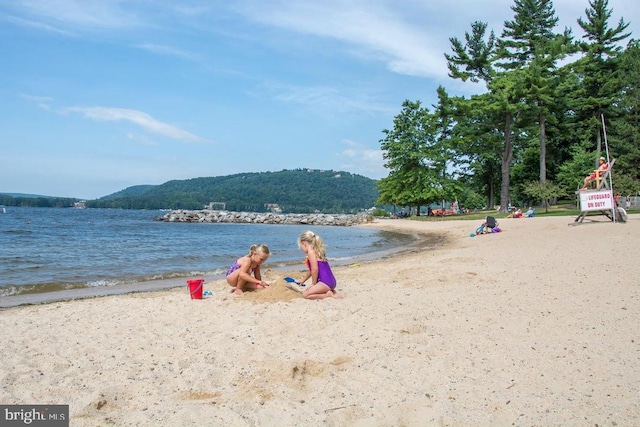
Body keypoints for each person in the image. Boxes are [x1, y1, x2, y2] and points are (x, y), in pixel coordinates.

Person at [292, 230, 342, 299]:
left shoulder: (311, 253)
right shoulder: (318, 252)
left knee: (305, 294)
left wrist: (313, 284)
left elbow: (314, 269)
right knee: (309, 291)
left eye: (301, 247)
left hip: (325, 282)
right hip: (332, 281)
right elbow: (311, 271)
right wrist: (303, 280)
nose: (302, 250)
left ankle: (328, 295)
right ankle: (329, 291)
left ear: (304, 244)